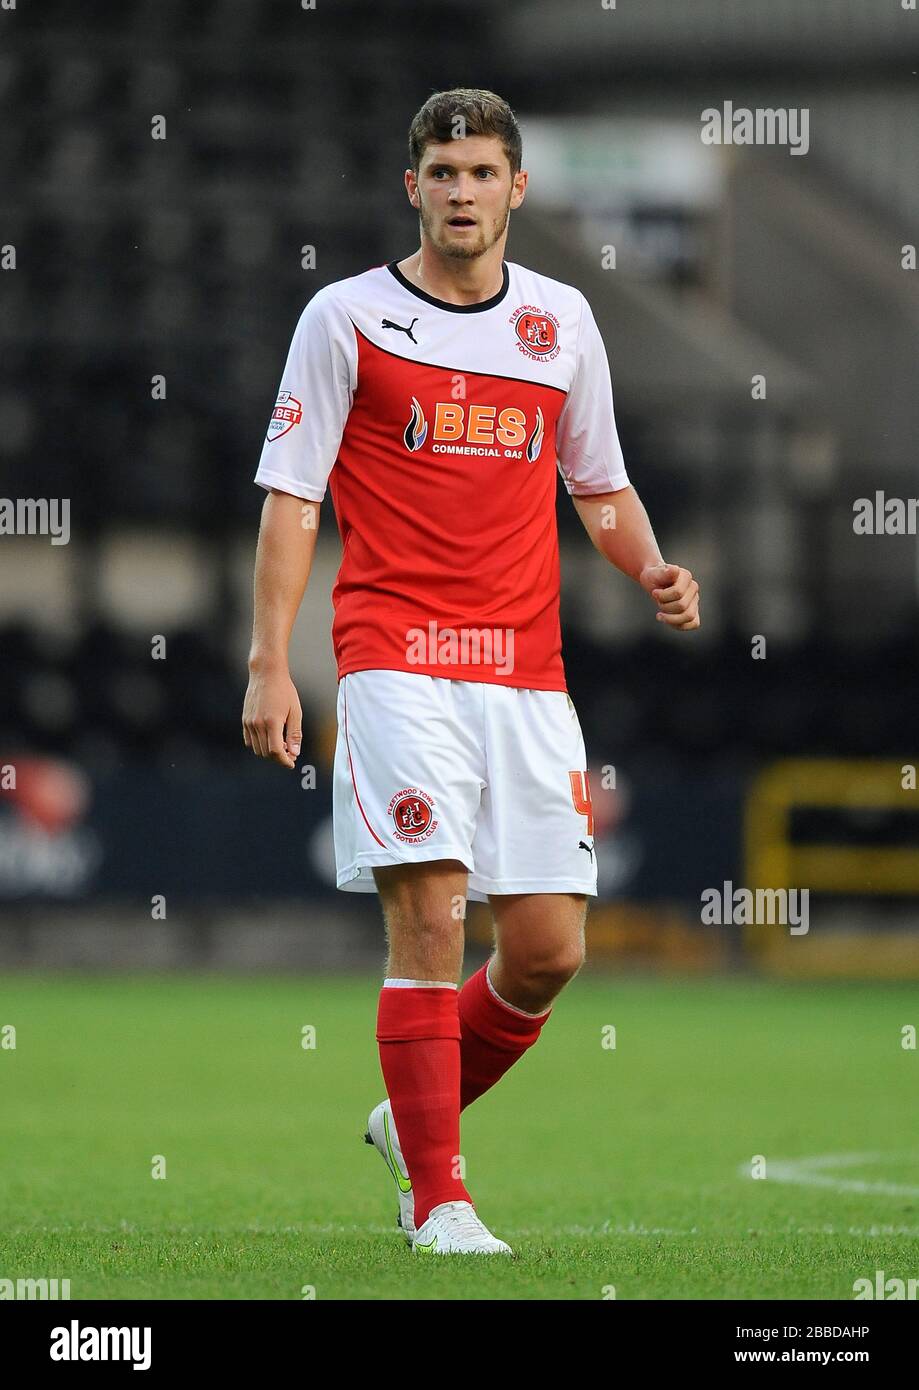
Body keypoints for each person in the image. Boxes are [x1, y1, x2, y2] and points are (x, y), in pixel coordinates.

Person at [242, 88, 700, 1256]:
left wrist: (650, 566)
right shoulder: (347, 319)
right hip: (396, 663)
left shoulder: (560, 323)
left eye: (481, 173)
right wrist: (270, 662)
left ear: (516, 190)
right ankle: (440, 1198)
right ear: (413, 186)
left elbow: (596, 485)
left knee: (546, 951)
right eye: (441, 172)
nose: (460, 192)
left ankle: (409, 1123)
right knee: (433, 926)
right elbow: (293, 499)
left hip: (526, 676)